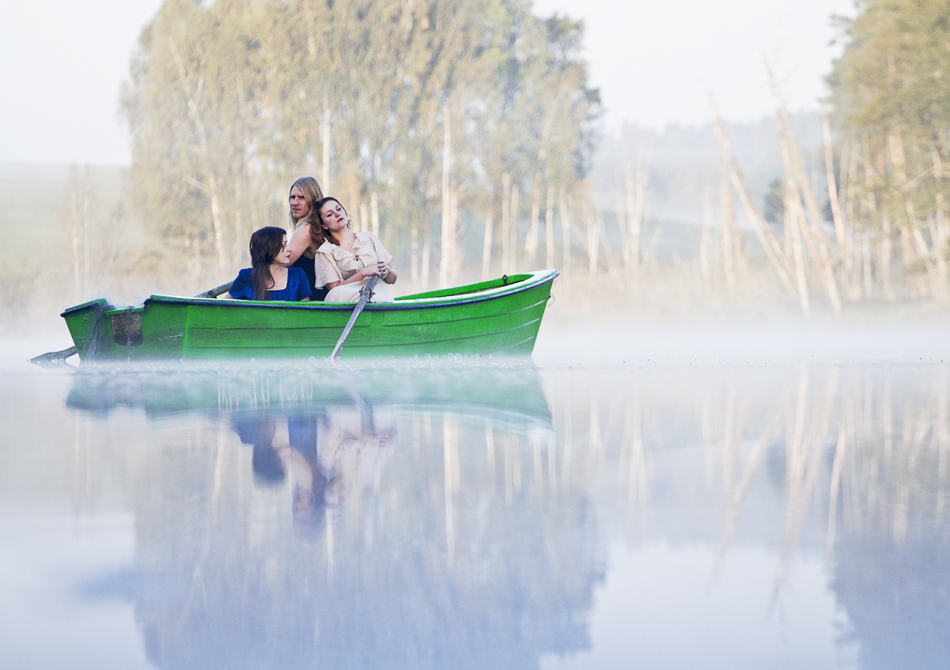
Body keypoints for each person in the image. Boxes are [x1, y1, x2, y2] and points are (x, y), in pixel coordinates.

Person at [314, 196, 398, 303]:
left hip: (379, 295)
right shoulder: (325, 252)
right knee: (335, 293)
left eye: (339, 209)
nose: (337, 214)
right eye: (329, 214)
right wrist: (363, 273)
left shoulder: (369, 238)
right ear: (323, 225)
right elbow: (334, 290)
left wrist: (388, 271)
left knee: (379, 298)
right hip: (349, 301)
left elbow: (392, 279)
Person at [220, 226, 312, 301]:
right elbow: (224, 307)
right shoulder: (246, 276)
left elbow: (304, 314)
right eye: (283, 245)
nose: (289, 249)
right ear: (268, 248)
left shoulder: (297, 276)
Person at [284, 176, 329, 301]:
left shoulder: (306, 228)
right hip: (320, 298)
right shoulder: (318, 226)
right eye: (292, 197)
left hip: (315, 302)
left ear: (313, 200)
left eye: (301, 197)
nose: (294, 202)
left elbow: (282, 261)